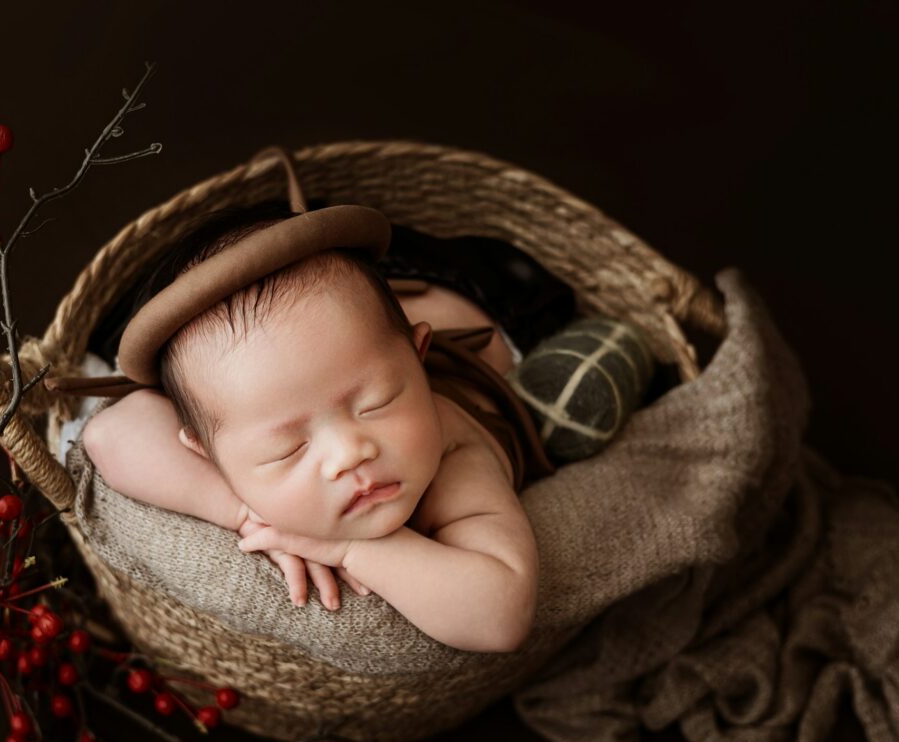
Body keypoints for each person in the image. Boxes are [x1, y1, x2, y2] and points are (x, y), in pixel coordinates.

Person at [79, 198, 557, 654]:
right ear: (204, 451)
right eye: (288, 449)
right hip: (337, 347)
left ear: (419, 356)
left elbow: (502, 616)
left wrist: (349, 547)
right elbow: (107, 433)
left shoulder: (453, 456)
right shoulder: (236, 417)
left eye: (377, 404)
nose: (349, 453)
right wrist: (245, 513)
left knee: (489, 302)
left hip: (481, 300)